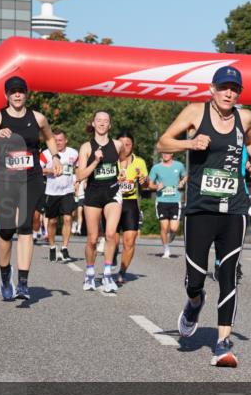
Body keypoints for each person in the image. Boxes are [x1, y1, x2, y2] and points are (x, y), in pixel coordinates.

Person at [156, 65, 251, 368]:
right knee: (195, 278)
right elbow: (163, 142)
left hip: (234, 206)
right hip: (200, 207)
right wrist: (189, 143)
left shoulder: (244, 117)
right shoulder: (195, 112)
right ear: (212, 89)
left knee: (228, 273)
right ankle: (194, 303)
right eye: (223, 87)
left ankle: (222, 343)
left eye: (234, 89)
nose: (229, 93)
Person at [0, 76, 61, 301]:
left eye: (21, 91)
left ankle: (22, 282)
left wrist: (56, 157)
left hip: (31, 178)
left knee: (25, 226)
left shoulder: (38, 118)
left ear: (26, 94)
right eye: (13, 92)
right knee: (7, 230)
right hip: (5, 179)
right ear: (6, 96)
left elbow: (50, 138)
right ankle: (4, 276)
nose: (17, 95)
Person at [76, 111, 123, 293]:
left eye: (106, 121)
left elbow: (125, 160)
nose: (102, 123)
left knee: (111, 234)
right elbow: (80, 175)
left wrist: (125, 172)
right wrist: (95, 162)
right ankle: (89, 274)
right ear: (93, 124)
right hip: (93, 194)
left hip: (112, 192)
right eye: (99, 120)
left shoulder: (118, 145)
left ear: (109, 125)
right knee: (93, 239)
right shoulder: (86, 147)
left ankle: (107, 274)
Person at [115, 131, 148, 285]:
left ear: (132, 146)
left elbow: (146, 185)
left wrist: (144, 180)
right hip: (112, 202)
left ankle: (122, 271)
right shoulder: (110, 160)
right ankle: (112, 254)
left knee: (129, 241)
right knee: (113, 241)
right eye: (122, 144)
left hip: (130, 202)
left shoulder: (139, 162)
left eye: (128, 144)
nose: (125, 147)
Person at [41, 128, 78, 262]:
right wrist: (50, 170)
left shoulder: (73, 153)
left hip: (67, 191)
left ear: (66, 140)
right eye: (55, 141)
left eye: (60, 140)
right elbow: (37, 170)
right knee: (52, 221)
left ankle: (64, 247)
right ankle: (52, 247)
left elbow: (78, 168)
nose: (58, 143)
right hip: (52, 192)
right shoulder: (46, 154)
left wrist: (78, 181)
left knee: (68, 219)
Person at [148, 151, 187, 258]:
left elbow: (186, 176)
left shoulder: (179, 165)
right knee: (164, 227)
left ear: (172, 154)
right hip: (161, 201)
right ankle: (166, 249)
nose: (165, 154)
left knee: (174, 228)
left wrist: (182, 182)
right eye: (163, 153)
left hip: (175, 201)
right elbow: (150, 184)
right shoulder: (156, 168)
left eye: (168, 152)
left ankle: (173, 234)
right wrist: (156, 187)